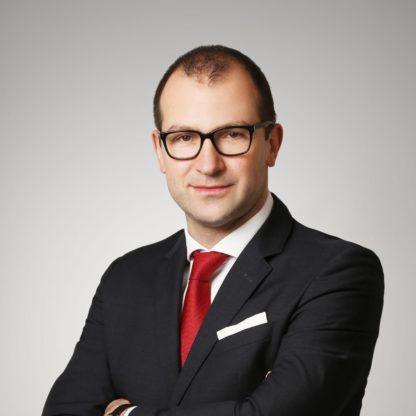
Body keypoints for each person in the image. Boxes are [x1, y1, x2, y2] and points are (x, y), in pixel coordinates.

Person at [42, 45, 384, 416]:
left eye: (232, 134)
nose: (208, 164)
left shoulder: (336, 271)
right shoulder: (125, 278)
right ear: (160, 151)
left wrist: (123, 414)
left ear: (271, 144)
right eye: (184, 138)